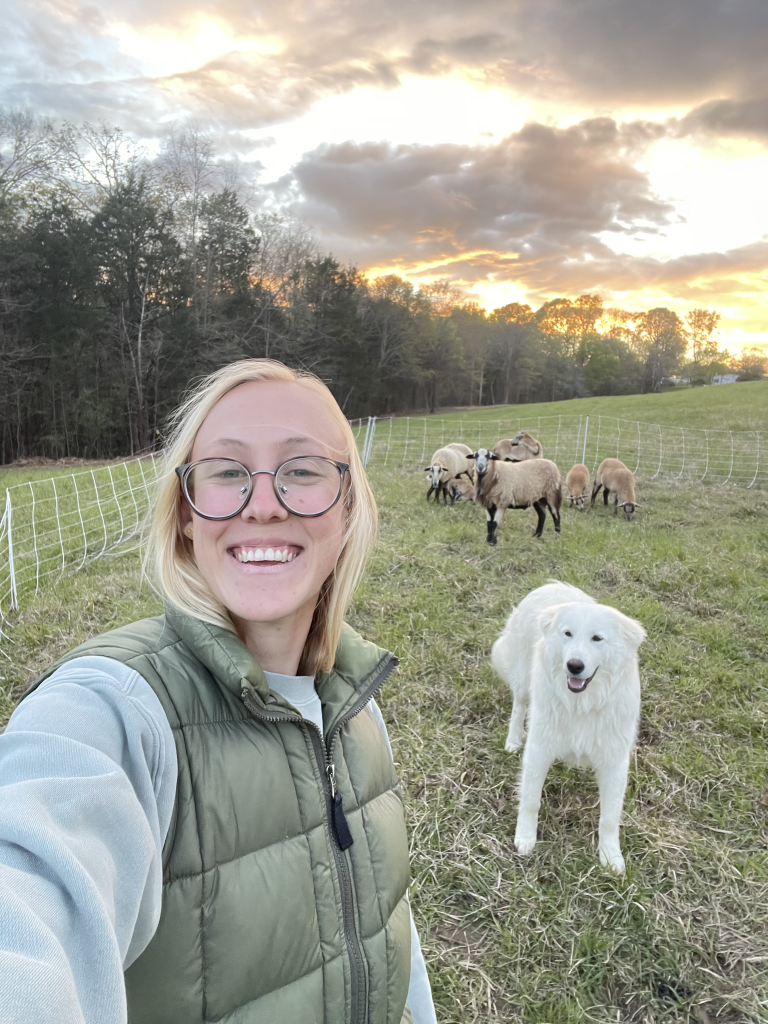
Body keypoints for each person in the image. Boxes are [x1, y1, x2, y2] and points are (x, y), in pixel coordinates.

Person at [0, 359, 437, 1024]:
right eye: (229, 472)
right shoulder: (117, 710)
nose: (263, 503)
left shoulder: (357, 704)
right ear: (185, 515)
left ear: (347, 510)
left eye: (303, 470)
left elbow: (383, 916)